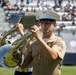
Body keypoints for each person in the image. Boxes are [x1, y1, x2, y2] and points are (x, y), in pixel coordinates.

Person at [19, 10, 66, 75]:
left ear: (54, 25)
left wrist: (38, 37)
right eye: (42, 23)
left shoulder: (59, 42)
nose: (44, 26)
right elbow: (24, 65)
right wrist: (15, 56)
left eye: (47, 23)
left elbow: (53, 56)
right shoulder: (34, 43)